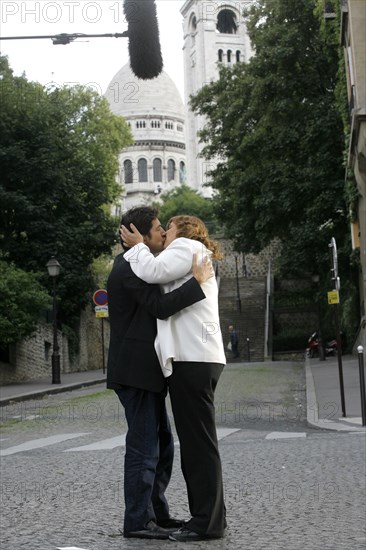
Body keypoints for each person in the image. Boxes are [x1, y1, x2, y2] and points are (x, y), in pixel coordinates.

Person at [107, 206, 214, 540]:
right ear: (139, 235)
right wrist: (196, 283)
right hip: (135, 371)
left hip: (147, 371)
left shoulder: (141, 265)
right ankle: (138, 520)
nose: (162, 234)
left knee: (162, 444)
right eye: (156, 229)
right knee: (144, 447)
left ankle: (157, 514)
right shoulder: (129, 267)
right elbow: (160, 307)